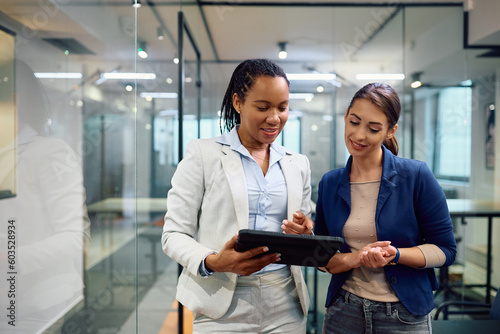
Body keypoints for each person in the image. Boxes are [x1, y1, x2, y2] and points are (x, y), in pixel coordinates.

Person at [161, 58, 313, 333]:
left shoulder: (297, 163)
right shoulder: (203, 154)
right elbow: (173, 235)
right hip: (220, 300)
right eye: (262, 107)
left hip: (285, 302)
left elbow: (304, 231)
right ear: (238, 102)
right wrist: (214, 261)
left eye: (282, 107)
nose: (274, 118)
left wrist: (304, 234)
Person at [314, 83, 456, 333]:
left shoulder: (415, 175)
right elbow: (323, 260)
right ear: (346, 116)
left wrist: (396, 255)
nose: (359, 135)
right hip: (344, 311)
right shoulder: (330, 182)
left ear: (390, 131)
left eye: (373, 128)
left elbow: (445, 251)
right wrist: (353, 257)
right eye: (354, 122)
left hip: (403, 315)